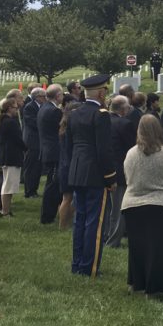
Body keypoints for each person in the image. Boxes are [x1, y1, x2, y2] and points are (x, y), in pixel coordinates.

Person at [122, 115, 163, 294]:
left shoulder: (131, 153)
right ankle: (157, 285)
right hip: (160, 205)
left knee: (138, 247)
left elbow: (128, 178)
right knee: (159, 248)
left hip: (133, 204)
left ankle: (137, 283)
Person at [67, 74, 117, 277]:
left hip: (77, 170)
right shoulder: (101, 114)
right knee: (94, 223)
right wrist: (110, 177)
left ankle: (77, 263)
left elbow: (70, 146)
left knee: (80, 219)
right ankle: (89, 267)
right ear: (101, 92)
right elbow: (103, 150)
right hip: (95, 173)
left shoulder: (74, 113)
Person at [105, 95, 136, 248]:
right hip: (120, 169)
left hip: (104, 168)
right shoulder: (125, 124)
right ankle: (113, 241)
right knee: (118, 208)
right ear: (123, 110)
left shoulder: (102, 121)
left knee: (107, 207)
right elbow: (131, 148)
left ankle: (105, 235)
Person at [0, 98, 26, 217]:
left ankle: (6, 209)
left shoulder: (3, 121)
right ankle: (5, 211)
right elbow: (17, 139)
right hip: (11, 156)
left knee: (9, 184)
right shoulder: (10, 122)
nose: (17, 110)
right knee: (8, 185)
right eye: (15, 108)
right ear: (9, 109)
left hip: (7, 155)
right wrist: (26, 148)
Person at [38, 84, 64, 224]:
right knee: (52, 186)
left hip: (48, 150)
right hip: (54, 151)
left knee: (53, 184)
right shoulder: (54, 111)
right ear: (58, 95)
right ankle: (47, 217)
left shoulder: (44, 107)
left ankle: (52, 214)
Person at [57, 102, 80, 229]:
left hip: (64, 164)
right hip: (68, 165)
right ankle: (63, 225)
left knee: (68, 197)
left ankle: (64, 223)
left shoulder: (63, 126)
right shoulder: (69, 130)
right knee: (68, 198)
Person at [22, 87, 45, 198]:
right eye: (42, 96)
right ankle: (29, 191)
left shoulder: (41, 106)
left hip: (39, 141)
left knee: (37, 168)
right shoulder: (29, 107)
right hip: (32, 141)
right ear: (37, 97)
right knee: (31, 167)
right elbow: (32, 122)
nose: (45, 98)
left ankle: (34, 190)